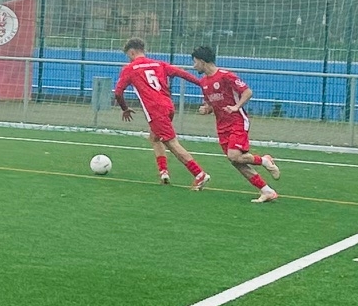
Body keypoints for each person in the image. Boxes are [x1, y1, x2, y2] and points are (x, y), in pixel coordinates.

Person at [114, 37, 210, 189]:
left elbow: (118, 93)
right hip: (168, 106)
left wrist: (124, 108)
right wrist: (201, 84)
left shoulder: (130, 69)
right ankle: (163, 172)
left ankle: (199, 174)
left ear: (131, 52)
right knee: (154, 137)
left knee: (171, 143)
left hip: (155, 110)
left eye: (128, 55)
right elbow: (182, 73)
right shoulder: (159, 64)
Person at [190, 46, 280, 203]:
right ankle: (267, 191)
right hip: (222, 126)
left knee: (234, 155)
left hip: (237, 121)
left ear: (203, 62)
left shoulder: (226, 76)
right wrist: (206, 109)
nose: (193, 66)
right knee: (236, 161)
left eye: (195, 62)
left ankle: (265, 161)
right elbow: (211, 105)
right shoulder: (203, 82)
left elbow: (247, 92)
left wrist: (236, 106)